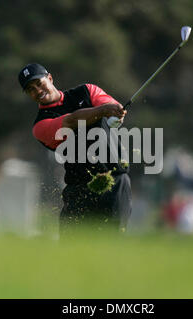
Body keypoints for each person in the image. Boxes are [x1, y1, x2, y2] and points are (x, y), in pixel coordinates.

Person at [18, 63, 132, 234]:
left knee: (112, 244)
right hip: (80, 190)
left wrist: (114, 113)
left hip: (114, 182)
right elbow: (70, 121)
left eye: (39, 83)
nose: (37, 90)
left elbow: (110, 106)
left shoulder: (87, 91)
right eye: (31, 89)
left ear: (50, 78)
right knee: (71, 251)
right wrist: (102, 111)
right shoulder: (40, 125)